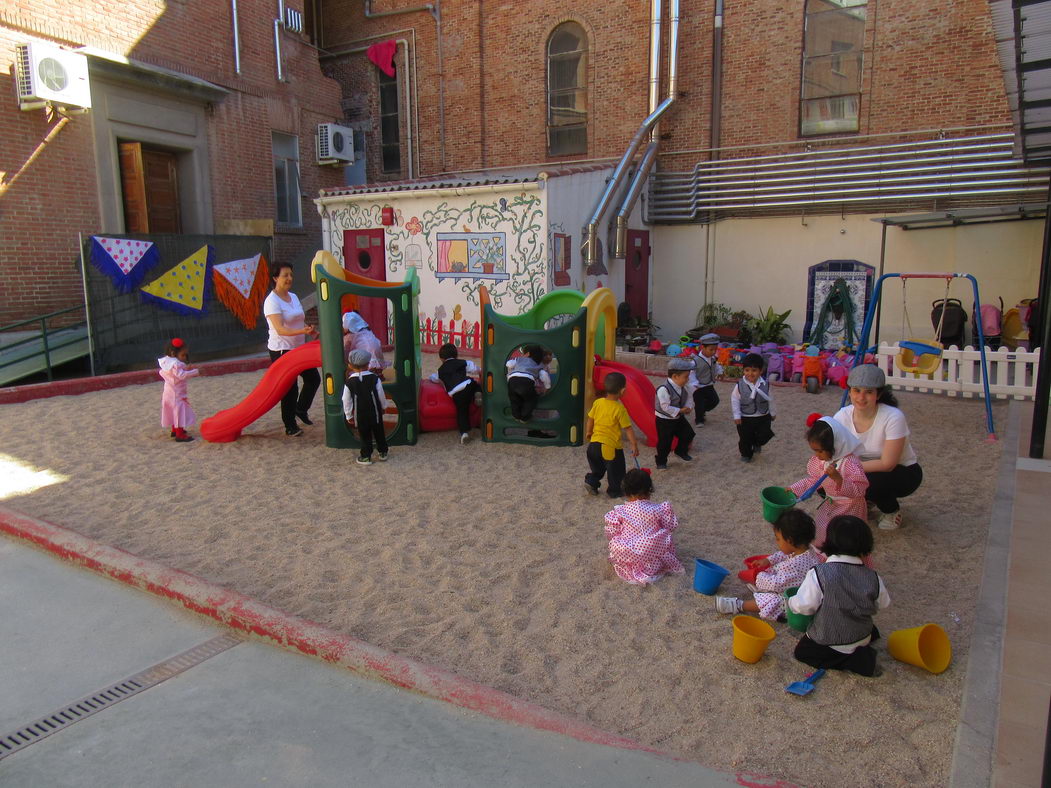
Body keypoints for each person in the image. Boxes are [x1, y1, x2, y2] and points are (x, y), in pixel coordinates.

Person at [788, 515, 890, 677]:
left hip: (831, 639)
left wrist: (791, 602)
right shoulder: (873, 576)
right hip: (862, 634)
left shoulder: (820, 573)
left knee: (803, 652)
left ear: (829, 541)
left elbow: (805, 606)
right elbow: (883, 603)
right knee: (869, 629)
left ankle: (851, 661)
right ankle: (861, 649)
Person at [832, 364, 923, 530]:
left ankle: (891, 510)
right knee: (827, 482)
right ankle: (865, 500)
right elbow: (834, 451)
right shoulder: (842, 416)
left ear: (878, 394)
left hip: (902, 471)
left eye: (868, 392)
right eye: (856, 390)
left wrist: (846, 468)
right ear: (850, 391)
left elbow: (888, 464)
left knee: (870, 482)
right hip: (863, 468)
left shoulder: (893, 417)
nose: (861, 397)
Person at [715, 509, 823, 619]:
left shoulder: (795, 566)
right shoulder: (806, 551)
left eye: (778, 539)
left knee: (771, 600)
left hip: (794, 604)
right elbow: (783, 555)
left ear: (790, 540)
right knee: (770, 576)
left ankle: (738, 605)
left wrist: (757, 576)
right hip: (791, 588)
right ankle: (760, 590)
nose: (777, 542)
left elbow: (776, 584)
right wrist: (768, 560)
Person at [787, 414, 869, 546]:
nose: (816, 455)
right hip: (831, 502)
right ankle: (825, 555)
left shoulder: (849, 462)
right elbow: (814, 480)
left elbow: (859, 490)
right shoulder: (824, 461)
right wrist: (794, 488)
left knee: (845, 537)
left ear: (835, 446)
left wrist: (839, 479)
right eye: (814, 451)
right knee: (823, 530)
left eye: (820, 451)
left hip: (850, 507)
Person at [264, 262, 319, 437]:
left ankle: (301, 409)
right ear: (275, 278)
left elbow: (297, 319)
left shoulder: (293, 297)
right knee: (289, 387)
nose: (289, 279)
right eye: (285, 275)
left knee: (313, 379)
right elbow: (280, 329)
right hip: (282, 349)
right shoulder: (271, 301)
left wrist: (309, 330)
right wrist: (301, 331)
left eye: (291, 275)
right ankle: (290, 425)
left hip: (298, 346)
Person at [603, 469, 685, 585]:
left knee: (616, 544)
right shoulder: (659, 509)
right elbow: (670, 526)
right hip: (653, 553)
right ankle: (651, 569)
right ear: (649, 490)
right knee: (665, 537)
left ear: (625, 492)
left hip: (630, 554)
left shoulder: (620, 511)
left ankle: (635, 569)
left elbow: (612, 532)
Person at [584, 371, 640, 498]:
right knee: (616, 470)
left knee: (597, 468)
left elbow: (590, 419)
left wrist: (588, 432)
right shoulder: (619, 409)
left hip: (593, 445)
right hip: (610, 446)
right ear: (623, 391)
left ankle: (591, 482)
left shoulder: (598, 403)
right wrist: (634, 444)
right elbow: (628, 428)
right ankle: (615, 491)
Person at [342, 348, 389, 465]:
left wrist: (348, 415)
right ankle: (383, 452)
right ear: (368, 364)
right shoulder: (374, 378)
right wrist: (384, 406)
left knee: (364, 434)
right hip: (375, 412)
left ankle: (366, 456)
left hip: (360, 413)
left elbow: (346, 400)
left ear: (351, 366)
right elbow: (381, 394)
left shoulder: (349, 382)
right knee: (379, 432)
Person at [430, 343, 481, 444]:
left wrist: (431, 377)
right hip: (467, 385)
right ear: (456, 355)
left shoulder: (440, 371)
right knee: (475, 383)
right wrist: (480, 371)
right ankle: (478, 393)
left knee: (462, 412)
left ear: (441, 358)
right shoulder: (462, 362)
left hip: (456, 393)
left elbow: (435, 379)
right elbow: (474, 368)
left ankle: (464, 433)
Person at [731, 352, 775, 463]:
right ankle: (746, 454)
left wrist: (773, 412)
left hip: (763, 415)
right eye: (747, 370)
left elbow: (771, 399)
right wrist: (736, 415)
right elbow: (735, 400)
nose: (750, 373)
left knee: (765, 434)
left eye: (754, 370)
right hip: (745, 416)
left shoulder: (766, 384)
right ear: (743, 371)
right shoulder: (739, 385)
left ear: (761, 371)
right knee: (745, 438)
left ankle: (757, 443)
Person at [654, 357, 695, 470]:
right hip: (664, 419)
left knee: (689, 434)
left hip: (678, 418)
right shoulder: (663, 389)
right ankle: (661, 462)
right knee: (665, 442)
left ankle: (680, 451)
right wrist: (681, 410)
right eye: (685, 377)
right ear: (675, 376)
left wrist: (689, 406)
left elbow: (689, 398)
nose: (687, 379)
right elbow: (665, 407)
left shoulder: (685, 386)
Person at [158, 337, 199, 442]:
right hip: (177, 394)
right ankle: (179, 434)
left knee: (172, 410)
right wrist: (195, 372)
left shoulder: (167, 362)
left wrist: (187, 369)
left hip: (168, 392)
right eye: (183, 355)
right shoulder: (176, 364)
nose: (185, 357)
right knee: (179, 412)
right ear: (173, 353)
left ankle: (174, 430)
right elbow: (181, 375)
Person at [506, 344, 550, 423]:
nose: (522, 355)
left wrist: (511, 369)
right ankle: (524, 417)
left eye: (523, 353)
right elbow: (544, 375)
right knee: (531, 400)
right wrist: (547, 387)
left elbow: (509, 364)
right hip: (527, 382)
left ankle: (516, 415)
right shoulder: (537, 365)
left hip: (512, 380)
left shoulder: (519, 359)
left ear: (528, 354)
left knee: (514, 399)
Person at [688, 333, 723, 426]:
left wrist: (720, 372)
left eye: (715, 349)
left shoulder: (713, 358)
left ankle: (702, 410)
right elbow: (691, 373)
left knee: (715, 401)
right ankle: (699, 420)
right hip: (698, 387)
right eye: (711, 349)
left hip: (709, 385)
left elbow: (716, 366)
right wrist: (694, 384)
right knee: (699, 403)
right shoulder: (695, 361)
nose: (713, 352)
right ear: (702, 347)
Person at [342, 310, 387, 375]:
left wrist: (345, 362)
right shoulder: (368, 332)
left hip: (365, 362)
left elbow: (346, 351)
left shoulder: (350, 336)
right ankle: (378, 372)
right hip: (375, 357)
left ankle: (366, 373)